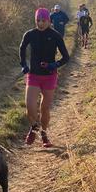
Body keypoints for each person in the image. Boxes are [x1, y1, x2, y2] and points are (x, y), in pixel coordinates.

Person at [19, 8, 70, 148]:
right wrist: (24, 65)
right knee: (30, 107)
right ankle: (34, 127)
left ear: (49, 20)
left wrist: (54, 65)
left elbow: (66, 57)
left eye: (43, 20)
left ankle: (44, 133)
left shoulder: (55, 36)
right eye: (38, 20)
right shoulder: (30, 34)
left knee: (45, 109)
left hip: (49, 77)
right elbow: (22, 49)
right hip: (34, 75)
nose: (40, 23)